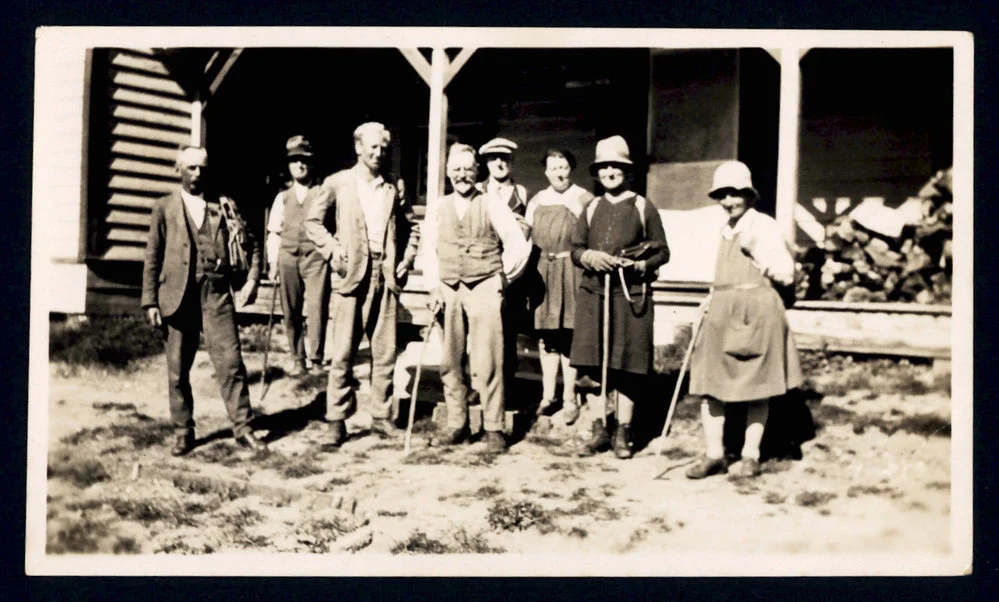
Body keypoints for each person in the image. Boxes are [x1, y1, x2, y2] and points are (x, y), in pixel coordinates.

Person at [141, 146, 267, 456]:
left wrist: (252, 280)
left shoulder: (224, 206)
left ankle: (244, 429)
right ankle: (183, 431)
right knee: (177, 369)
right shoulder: (164, 208)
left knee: (231, 363)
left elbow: (252, 246)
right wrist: (150, 302)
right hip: (177, 297)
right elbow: (152, 256)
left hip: (216, 294)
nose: (198, 173)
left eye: (202, 168)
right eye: (192, 168)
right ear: (179, 170)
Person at [304, 122, 420, 447]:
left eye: (383, 148)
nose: (378, 153)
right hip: (350, 277)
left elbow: (413, 228)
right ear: (358, 147)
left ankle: (381, 418)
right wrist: (332, 250)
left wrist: (405, 261)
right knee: (342, 353)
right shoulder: (339, 183)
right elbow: (313, 222)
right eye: (372, 147)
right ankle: (336, 421)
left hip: (384, 278)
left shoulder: (392, 187)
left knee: (384, 353)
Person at [686, 161, 803, 479]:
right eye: (722, 195)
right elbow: (723, 274)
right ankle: (715, 454)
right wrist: (709, 300)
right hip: (723, 310)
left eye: (734, 194)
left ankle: (751, 455)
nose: (727, 201)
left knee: (757, 385)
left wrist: (758, 254)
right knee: (710, 385)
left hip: (757, 310)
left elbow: (786, 274)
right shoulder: (726, 229)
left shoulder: (764, 226)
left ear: (749, 194)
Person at [423, 143, 532, 454]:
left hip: (485, 283)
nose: (462, 175)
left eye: (468, 170)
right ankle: (457, 423)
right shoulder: (438, 207)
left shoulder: (491, 203)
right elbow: (428, 251)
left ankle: (493, 427)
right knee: (450, 359)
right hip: (448, 288)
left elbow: (517, 244)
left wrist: (503, 278)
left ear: (476, 172)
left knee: (489, 360)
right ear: (447, 173)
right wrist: (432, 287)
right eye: (456, 169)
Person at [570, 135, 670, 459]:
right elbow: (575, 249)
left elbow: (663, 251)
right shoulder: (592, 207)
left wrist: (641, 265)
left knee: (627, 362)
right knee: (593, 361)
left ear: (627, 172)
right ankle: (600, 428)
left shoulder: (643, 206)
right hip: (594, 294)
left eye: (616, 166)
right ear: (597, 173)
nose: (610, 171)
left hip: (630, 296)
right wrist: (589, 258)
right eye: (604, 167)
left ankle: (624, 431)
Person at [526, 149, 594, 424]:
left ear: (571, 168)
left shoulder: (583, 198)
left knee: (568, 335)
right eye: (553, 168)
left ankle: (569, 397)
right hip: (543, 272)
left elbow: (592, 234)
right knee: (547, 337)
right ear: (545, 171)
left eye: (563, 166)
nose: (559, 173)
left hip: (571, 271)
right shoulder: (538, 200)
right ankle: (547, 395)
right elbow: (525, 236)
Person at [477, 137, 534, 412]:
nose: (499, 163)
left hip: (511, 275)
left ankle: (506, 390)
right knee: (480, 334)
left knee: (507, 332)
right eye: (493, 158)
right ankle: (479, 388)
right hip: (484, 269)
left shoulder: (521, 193)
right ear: (486, 163)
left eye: (505, 158)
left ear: (512, 162)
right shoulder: (478, 191)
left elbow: (526, 230)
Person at [265, 135, 330, 376]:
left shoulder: (322, 192)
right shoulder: (282, 197)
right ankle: (297, 357)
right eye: (294, 161)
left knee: (317, 307)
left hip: (315, 258)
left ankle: (317, 358)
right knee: (291, 309)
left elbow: (332, 226)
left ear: (311, 163)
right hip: (288, 257)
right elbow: (274, 231)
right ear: (289, 165)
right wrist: (273, 263)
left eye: (304, 160)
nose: (299, 165)